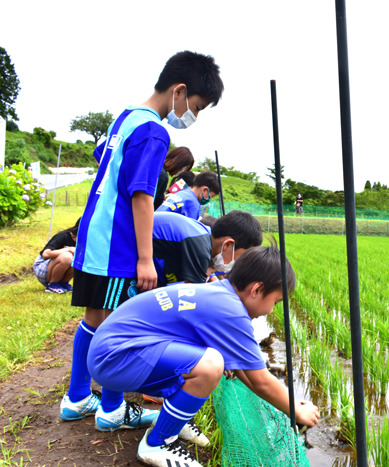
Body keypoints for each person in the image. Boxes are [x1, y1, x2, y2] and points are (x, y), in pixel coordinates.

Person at [60, 50, 224, 431]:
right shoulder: (154, 131)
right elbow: (141, 195)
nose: (193, 116)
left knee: (94, 319)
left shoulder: (126, 118)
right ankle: (112, 409)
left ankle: (78, 397)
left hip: (95, 236)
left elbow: (104, 160)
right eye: (196, 107)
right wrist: (146, 259)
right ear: (179, 91)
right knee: (119, 324)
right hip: (116, 246)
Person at [86, 245, 320, 466]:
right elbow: (261, 381)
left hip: (110, 352)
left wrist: (287, 404)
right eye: (275, 302)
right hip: (114, 359)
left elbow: (246, 372)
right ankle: (157, 443)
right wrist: (296, 411)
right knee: (210, 365)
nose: (271, 310)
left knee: (208, 360)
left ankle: (165, 420)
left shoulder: (218, 292)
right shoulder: (232, 312)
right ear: (256, 290)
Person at [152, 210, 263, 286]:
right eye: (239, 258)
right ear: (228, 245)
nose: (235, 263)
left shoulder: (203, 235)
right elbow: (191, 296)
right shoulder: (200, 247)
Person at [33, 217, 80, 293]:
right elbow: (46, 254)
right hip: (43, 268)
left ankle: (63, 283)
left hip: (58, 269)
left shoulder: (86, 241)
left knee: (79, 258)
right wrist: (67, 249)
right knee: (67, 256)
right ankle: (52, 284)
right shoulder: (64, 235)